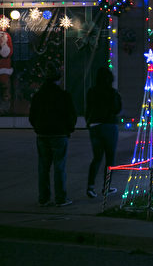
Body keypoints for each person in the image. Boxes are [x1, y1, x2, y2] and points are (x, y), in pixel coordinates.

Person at [29, 62, 77, 207]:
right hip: (59, 134)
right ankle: (60, 198)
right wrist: (68, 129)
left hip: (43, 134)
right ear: (58, 80)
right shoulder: (63, 95)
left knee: (43, 167)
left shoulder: (38, 96)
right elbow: (71, 115)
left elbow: (32, 116)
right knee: (59, 167)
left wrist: (38, 127)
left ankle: (44, 198)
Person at [85, 67, 122, 198]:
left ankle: (90, 186)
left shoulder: (92, 91)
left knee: (97, 157)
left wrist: (89, 122)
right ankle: (106, 187)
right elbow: (117, 109)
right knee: (109, 157)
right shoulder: (112, 92)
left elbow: (88, 108)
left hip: (95, 126)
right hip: (109, 125)